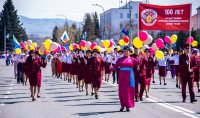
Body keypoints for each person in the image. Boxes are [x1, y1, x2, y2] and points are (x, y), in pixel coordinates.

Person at [114, 46, 138, 112]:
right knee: (121, 91)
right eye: (124, 51)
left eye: (127, 51)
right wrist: (111, 68)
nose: (126, 52)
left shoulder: (132, 59)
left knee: (129, 91)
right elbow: (115, 66)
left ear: (129, 52)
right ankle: (122, 106)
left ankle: (128, 106)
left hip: (130, 77)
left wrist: (141, 58)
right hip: (121, 77)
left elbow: (138, 63)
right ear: (123, 52)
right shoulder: (120, 59)